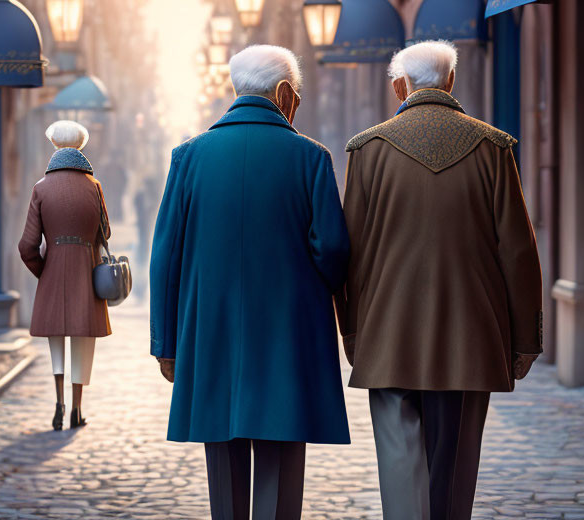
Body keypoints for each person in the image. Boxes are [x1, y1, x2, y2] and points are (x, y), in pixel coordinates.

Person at [336, 40, 543, 520]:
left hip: (387, 336)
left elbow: (351, 254)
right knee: (455, 469)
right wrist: (524, 340)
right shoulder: (492, 146)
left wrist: (352, 332)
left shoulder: (368, 150)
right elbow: (518, 249)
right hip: (471, 338)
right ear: (450, 81)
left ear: (399, 87)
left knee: (399, 466)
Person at [149, 45, 350, 520]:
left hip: (211, 334)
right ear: (284, 93)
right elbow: (335, 249)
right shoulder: (311, 158)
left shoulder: (189, 157)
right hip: (287, 334)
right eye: (295, 95)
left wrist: (166, 343)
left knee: (223, 461)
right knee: (281, 457)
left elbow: (165, 256)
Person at [18, 120, 112, 431]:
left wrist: (44, 272)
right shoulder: (94, 186)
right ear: (81, 146)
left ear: (54, 145)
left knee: (56, 340)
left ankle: (57, 402)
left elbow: (27, 245)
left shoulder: (41, 188)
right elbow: (106, 232)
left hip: (54, 269)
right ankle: (77, 409)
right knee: (83, 341)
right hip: (86, 269)